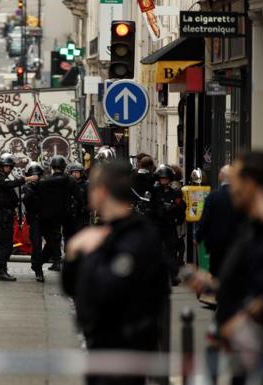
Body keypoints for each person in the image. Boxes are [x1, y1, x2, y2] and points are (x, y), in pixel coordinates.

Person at [62, 160, 169, 385]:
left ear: (101, 192)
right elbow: (70, 286)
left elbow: (108, 287)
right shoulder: (105, 232)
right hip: (101, 346)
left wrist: (91, 255)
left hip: (124, 349)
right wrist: (72, 254)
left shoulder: (137, 235)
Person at [185, 153, 263, 384]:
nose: (232, 190)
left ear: (250, 184)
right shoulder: (250, 228)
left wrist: (243, 319)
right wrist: (214, 285)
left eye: (236, 182)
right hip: (242, 356)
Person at [0, 153, 38, 281]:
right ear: (1, 167)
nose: (8, 168)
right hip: (4, 215)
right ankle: (1, 271)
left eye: (9, 166)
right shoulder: (0, 179)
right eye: (5, 166)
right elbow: (9, 185)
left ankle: (2, 270)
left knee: (7, 243)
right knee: (5, 244)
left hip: (8, 214)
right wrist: (26, 179)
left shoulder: (5, 178)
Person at [195, 165, 245, 278]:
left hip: (217, 245)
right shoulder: (241, 197)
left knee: (217, 274)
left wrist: (198, 237)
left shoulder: (213, 197)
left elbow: (205, 220)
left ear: (220, 177)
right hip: (236, 243)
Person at [40, 155, 82, 272]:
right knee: (68, 236)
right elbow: (79, 197)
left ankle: (57, 261)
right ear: (64, 167)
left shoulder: (46, 181)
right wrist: (78, 210)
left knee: (55, 237)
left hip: (52, 214)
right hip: (67, 213)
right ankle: (69, 260)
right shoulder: (70, 180)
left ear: (52, 167)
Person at [151, 165, 187, 285]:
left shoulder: (175, 192)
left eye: (166, 178)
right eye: (162, 179)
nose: (164, 181)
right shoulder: (154, 192)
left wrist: (174, 208)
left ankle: (173, 275)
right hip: (157, 224)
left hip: (170, 225)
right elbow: (150, 206)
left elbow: (182, 207)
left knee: (171, 250)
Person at [22, 162, 45, 282]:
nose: (35, 177)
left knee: (53, 243)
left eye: (37, 175)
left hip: (46, 219)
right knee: (36, 245)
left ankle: (38, 262)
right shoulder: (27, 188)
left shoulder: (45, 186)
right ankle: (38, 269)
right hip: (35, 220)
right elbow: (26, 202)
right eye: (33, 175)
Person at [69, 161, 91, 231]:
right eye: (73, 172)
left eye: (76, 172)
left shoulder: (86, 185)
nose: (74, 174)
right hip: (72, 215)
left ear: (81, 173)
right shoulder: (69, 185)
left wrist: (86, 208)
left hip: (83, 215)